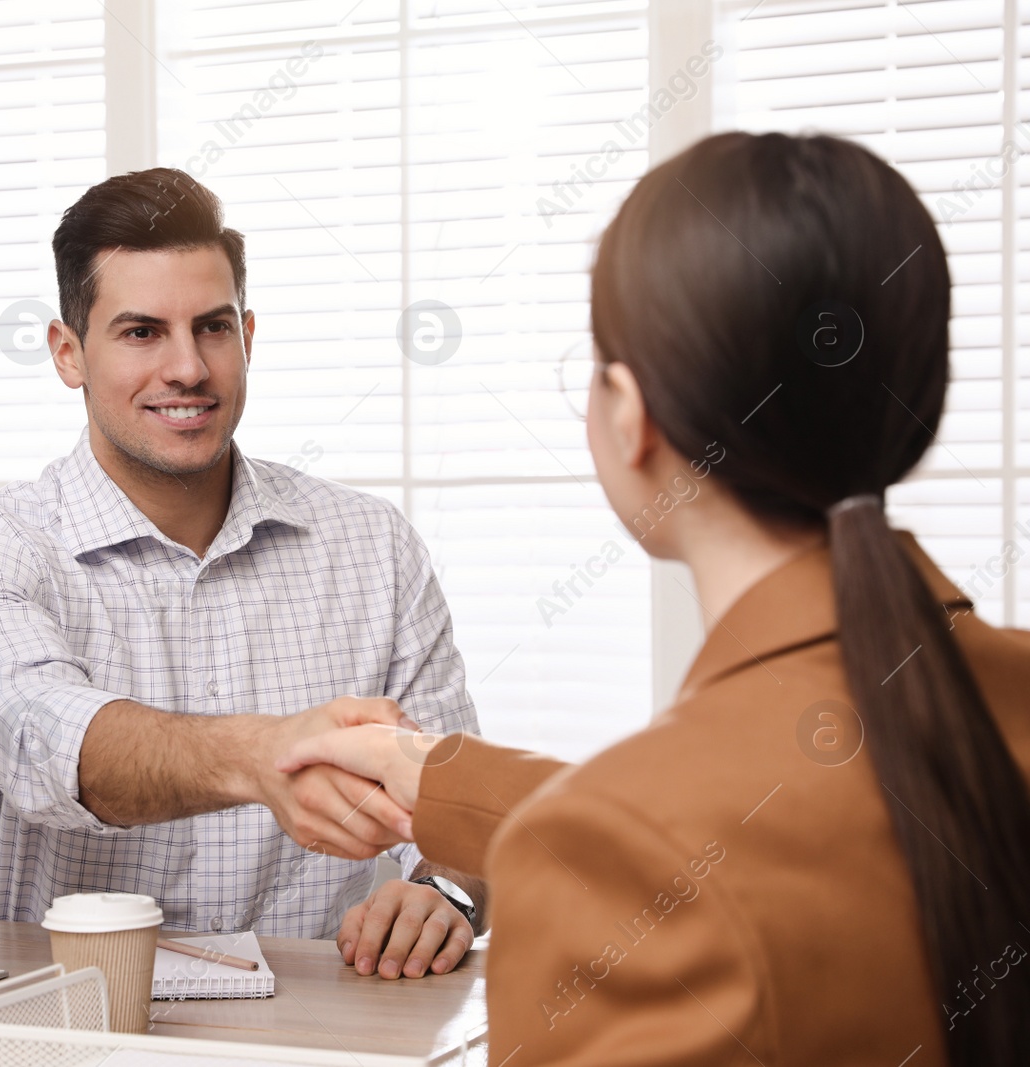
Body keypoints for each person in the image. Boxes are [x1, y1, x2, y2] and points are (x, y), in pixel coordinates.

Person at [279, 131, 1030, 1062]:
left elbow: (692, 846)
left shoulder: (627, 860)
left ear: (630, 415)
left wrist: (579, 831)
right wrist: (441, 774)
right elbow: (767, 821)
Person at [0, 167, 484, 972]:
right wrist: (264, 754)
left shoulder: (374, 545)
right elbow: (47, 745)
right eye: (142, 332)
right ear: (67, 353)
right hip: (83, 1038)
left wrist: (443, 893)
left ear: (247, 333)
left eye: (212, 327)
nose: (188, 368)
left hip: (328, 1042)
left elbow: (466, 815)